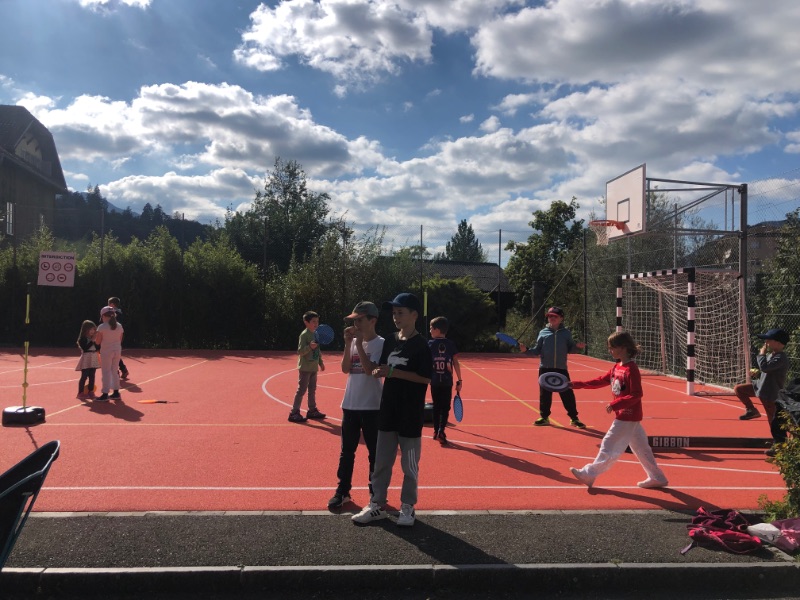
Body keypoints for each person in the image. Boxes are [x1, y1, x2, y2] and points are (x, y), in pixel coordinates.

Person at [352, 292, 432, 527]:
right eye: (394, 313)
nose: (396, 317)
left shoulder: (422, 345)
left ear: (414, 315)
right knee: (381, 463)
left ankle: (408, 506)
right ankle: (377, 504)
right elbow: (379, 369)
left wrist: (394, 373)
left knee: (409, 466)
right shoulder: (390, 340)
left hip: (410, 414)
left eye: (401, 313)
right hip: (387, 411)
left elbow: (425, 378)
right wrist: (378, 368)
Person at [568, 330, 668, 489]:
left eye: (612, 347)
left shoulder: (631, 369)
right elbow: (600, 380)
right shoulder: (617, 367)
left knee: (609, 443)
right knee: (641, 448)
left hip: (628, 415)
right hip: (627, 416)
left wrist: (616, 404)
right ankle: (657, 477)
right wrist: (577, 384)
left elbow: (637, 394)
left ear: (623, 347)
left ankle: (589, 473)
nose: (610, 350)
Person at [328, 301, 385, 509]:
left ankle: (375, 493)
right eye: (354, 321)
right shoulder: (353, 342)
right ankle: (343, 490)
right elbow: (345, 369)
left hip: (372, 406)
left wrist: (359, 344)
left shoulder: (381, 343)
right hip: (350, 404)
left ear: (373, 320)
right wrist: (347, 344)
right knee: (347, 452)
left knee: (374, 453)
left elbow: (370, 370)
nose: (356, 325)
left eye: (360, 320)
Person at [519, 306, 587, 428]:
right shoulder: (543, 332)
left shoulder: (566, 333)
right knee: (544, 394)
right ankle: (544, 417)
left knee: (567, 393)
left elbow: (571, 349)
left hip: (561, 368)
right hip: (545, 368)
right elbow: (537, 350)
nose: (552, 318)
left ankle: (574, 418)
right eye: (550, 316)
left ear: (561, 318)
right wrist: (526, 350)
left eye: (555, 316)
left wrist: (578, 347)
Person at [733, 328, 791, 456]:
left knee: (774, 422)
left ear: (778, 343)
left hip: (770, 393)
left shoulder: (781, 357)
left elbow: (765, 367)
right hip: (760, 386)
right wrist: (757, 374)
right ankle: (752, 410)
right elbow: (766, 371)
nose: (766, 342)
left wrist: (761, 354)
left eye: (769, 340)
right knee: (739, 389)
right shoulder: (772, 355)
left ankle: (780, 445)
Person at [428, 316, 463, 445]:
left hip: (434, 381)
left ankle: (436, 430)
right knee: (445, 407)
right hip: (447, 382)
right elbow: (456, 363)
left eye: (431, 328)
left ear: (437, 330)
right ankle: (441, 430)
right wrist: (460, 380)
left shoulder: (430, 344)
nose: (430, 331)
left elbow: (425, 362)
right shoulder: (450, 344)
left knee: (436, 406)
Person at [288, 310, 326, 423]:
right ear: (306, 322)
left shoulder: (316, 334)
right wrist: (309, 347)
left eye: (317, 321)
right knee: (301, 390)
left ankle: (312, 410)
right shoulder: (304, 335)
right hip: (305, 368)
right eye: (313, 321)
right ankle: (294, 412)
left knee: (312, 390)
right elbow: (300, 351)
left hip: (313, 367)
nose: (316, 324)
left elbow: (317, 350)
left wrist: (320, 362)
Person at [94, 306, 124, 401]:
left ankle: (105, 393)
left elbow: (98, 342)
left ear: (103, 316)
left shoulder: (102, 327)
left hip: (106, 351)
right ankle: (116, 392)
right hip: (117, 350)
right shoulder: (119, 326)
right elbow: (120, 339)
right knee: (114, 371)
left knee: (106, 372)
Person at [75, 320, 100, 399]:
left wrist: (96, 341)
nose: (93, 331)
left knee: (92, 376)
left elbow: (98, 348)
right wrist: (92, 341)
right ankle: (80, 392)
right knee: (84, 376)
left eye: (94, 329)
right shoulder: (82, 339)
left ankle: (91, 391)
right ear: (86, 329)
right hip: (86, 358)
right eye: (91, 329)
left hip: (93, 358)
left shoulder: (94, 339)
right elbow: (85, 348)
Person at [107, 297, 130, 380]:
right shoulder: (119, 312)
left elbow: (112, 325)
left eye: (109, 304)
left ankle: (116, 372)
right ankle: (123, 370)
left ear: (112, 304)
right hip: (117, 336)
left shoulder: (114, 313)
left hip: (113, 336)